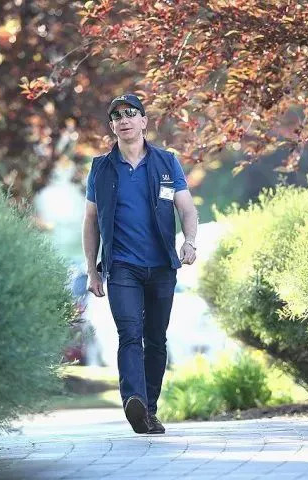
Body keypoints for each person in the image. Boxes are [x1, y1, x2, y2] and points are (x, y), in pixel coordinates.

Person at [81, 93, 198, 434]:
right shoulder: (101, 168)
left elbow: (186, 209)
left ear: (144, 121)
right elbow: (90, 220)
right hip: (122, 267)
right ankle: (134, 399)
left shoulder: (166, 163)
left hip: (162, 265)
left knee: (156, 339)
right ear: (112, 126)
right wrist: (92, 269)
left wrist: (190, 241)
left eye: (131, 113)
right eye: (117, 116)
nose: (124, 120)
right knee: (130, 334)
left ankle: (149, 410)